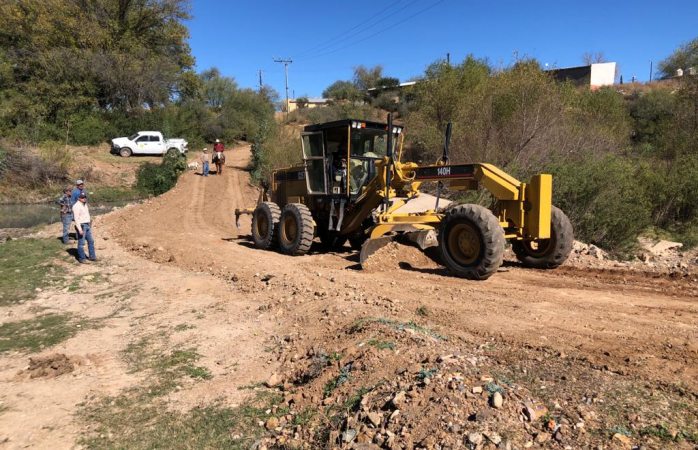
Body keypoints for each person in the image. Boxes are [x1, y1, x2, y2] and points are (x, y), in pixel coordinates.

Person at [72, 192, 96, 263]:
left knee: (91, 241)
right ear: (79, 198)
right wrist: (79, 229)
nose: (84, 198)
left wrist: (89, 222)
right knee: (81, 243)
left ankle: (92, 257)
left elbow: (87, 214)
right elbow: (76, 219)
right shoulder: (76, 206)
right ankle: (82, 258)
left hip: (87, 225)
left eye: (85, 197)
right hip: (82, 225)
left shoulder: (85, 205)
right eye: (82, 197)